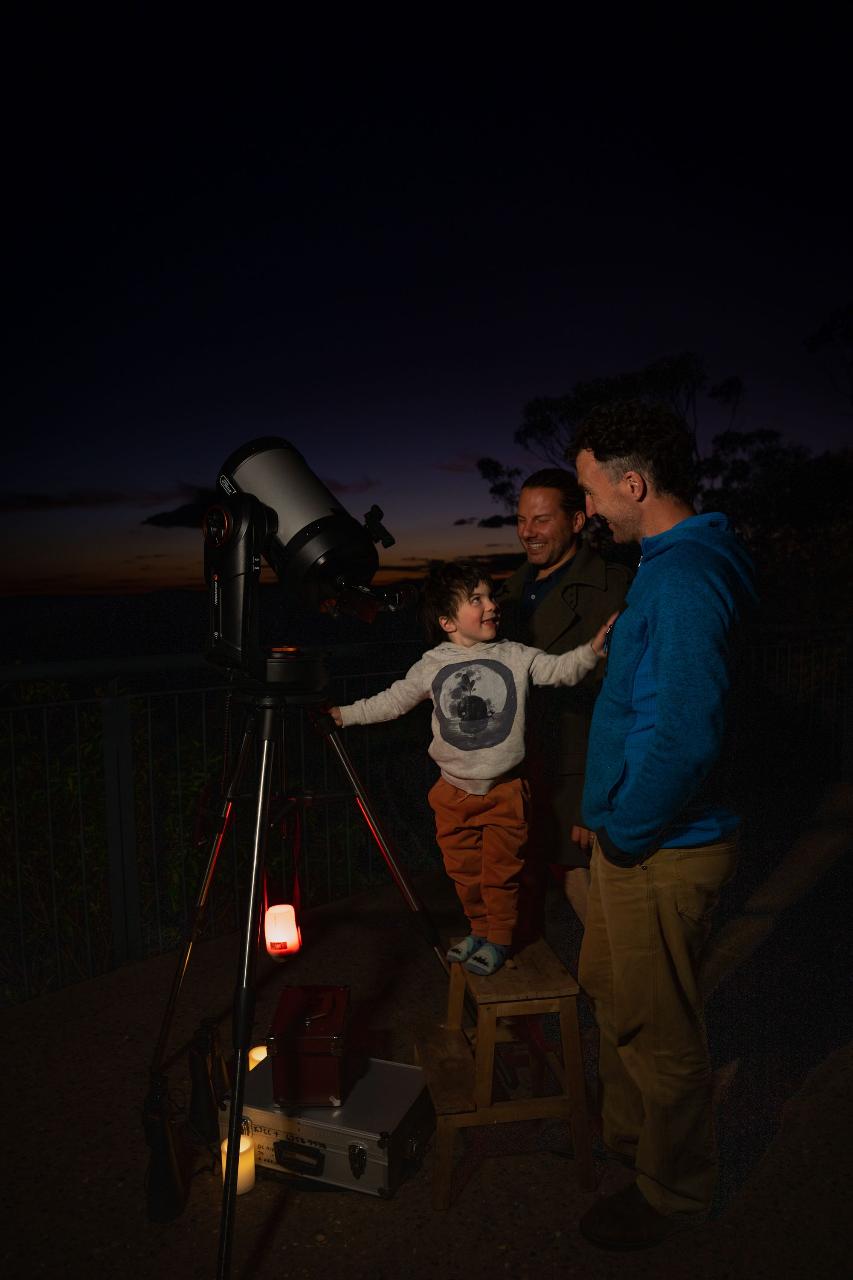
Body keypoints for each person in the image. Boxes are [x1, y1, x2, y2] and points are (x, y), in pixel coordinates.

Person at [570, 401, 757, 1249]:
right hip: (633, 836)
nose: (587, 512)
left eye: (591, 492)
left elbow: (683, 732)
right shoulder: (672, 560)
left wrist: (625, 830)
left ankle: (672, 1194)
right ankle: (628, 1143)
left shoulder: (683, 575)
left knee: (660, 1030)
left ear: (632, 484)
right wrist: (598, 816)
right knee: (615, 992)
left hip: (661, 846)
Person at [328, 560, 616, 976]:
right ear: (447, 621)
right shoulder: (433, 664)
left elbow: (560, 670)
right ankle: (479, 929)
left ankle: (499, 938)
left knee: (500, 873)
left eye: (491, 595)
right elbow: (391, 701)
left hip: (504, 792)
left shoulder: (515, 654)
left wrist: (593, 649)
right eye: (476, 599)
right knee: (463, 871)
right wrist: (343, 714)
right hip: (452, 792)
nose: (491, 605)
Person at [498, 470, 631, 930]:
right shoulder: (509, 591)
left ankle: (623, 995)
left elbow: (622, 697)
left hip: (577, 768)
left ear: (577, 521)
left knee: (585, 886)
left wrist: (594, 801)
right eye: (520, 520)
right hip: (518, 765)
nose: (527, 533)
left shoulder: (612, 588)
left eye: (540, 520)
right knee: (526, 881)